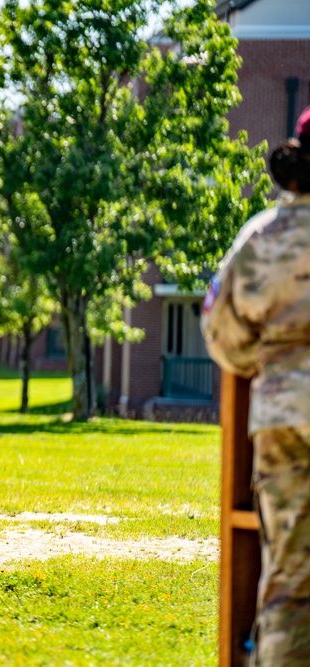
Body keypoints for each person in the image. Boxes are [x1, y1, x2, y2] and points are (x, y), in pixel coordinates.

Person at [202, 108, 310, 666]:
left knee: (291, 575)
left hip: (284, 418)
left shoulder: (264, 236)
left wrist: (275, 362)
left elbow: (221, 333)